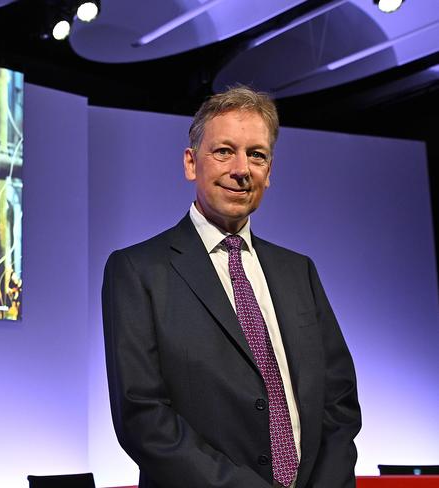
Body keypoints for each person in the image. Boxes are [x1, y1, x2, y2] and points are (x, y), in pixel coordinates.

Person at [102, 86, 361, 488]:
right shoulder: (137, 270)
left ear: (269, 172)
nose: (242, 168)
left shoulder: (300, 272)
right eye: (224, 151)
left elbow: (339, 402)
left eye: (256, 155)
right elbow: (143, 418)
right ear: (191, 164)